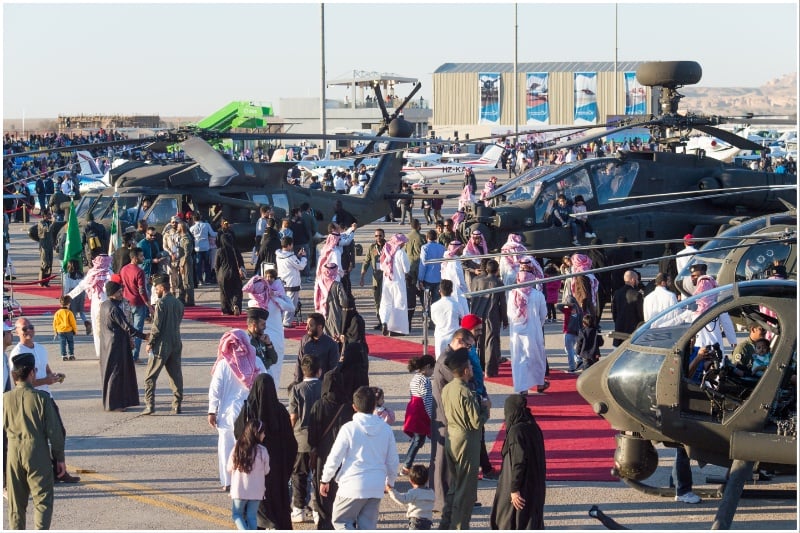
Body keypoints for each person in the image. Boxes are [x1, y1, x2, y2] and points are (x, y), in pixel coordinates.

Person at [319, 385, 399, 530]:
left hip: (352, 484)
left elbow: (335, 457)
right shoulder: (386, 429)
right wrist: (391, 481)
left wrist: (325, 479)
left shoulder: (349, 428)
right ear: (374, 404)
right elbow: (393, 459)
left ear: (354, 407)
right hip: (376, 485)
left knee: (341, 521)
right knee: (368, 526)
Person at [3, 352, 66, 530]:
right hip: (36, 452)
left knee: (16, 506)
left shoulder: (4, 399)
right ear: (31, 373)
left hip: (13, 455)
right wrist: (59, 458)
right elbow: (54, 432)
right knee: (43, 500)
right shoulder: (41, 398)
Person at [235, 372, 297, 530]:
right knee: (278, 504)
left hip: (254, 472)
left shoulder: (250, 411)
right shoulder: (281, 412)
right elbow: (291, 444)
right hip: (277, 471)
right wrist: (285, 469)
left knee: (255, 510)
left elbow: (238, 433)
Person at [208, 329, 267, 491]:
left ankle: (227, 481)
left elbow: (215, 389)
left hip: (226, 413)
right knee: (246, 446)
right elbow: (265, 384)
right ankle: (244, 479)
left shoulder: (222, 364)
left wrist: (212, 411)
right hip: (248, 411)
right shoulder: (256, 361)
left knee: (226, 447)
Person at [439, 348, 490, 529]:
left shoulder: (447, 388)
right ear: (466, 370)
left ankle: (446, 522)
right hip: (467, 441)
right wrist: (485, 408)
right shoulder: (466, 392)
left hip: (452, 437)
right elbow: (476, 422)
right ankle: (460, 526)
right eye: (469, 364)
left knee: (454, 486)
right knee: (466, 490)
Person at [489, 394, 546, 530]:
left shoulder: (516, 432)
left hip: (521, 485)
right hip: (534, 485)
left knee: (509, 519)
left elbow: (518, 462)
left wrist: (514, 489)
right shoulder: (533, 427)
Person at [308, 369, 355, 529]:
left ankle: (325, 523)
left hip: (323, 455)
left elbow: (312, 435)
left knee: (323, 493)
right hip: (345, 458)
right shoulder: (348, 406)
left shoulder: (319, 405)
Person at [98, 277, 147, 412]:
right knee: (116, 373)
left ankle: (113, 401)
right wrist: (144, 336)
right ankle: (115, 404)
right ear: (112, 293)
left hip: (108, 344)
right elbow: (127, 327)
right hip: (116, 345)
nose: (121, 294)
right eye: (119, 292)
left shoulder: (105, 305)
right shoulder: (114, 309)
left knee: (111, 372)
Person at [142, 274, 184, 415]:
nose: (155, 290)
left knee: (150, 376)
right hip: (176, 341)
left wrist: (150, 342)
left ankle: (149, 405)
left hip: (162, 344)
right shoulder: (178, 303)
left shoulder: (161, 304)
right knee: (175, 375)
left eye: (156, 287)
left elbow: (157, 326)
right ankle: (177, 405)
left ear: (162, 287)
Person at [289, 355, 323, 523]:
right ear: (319, 371)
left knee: (299, 475)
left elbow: (293, 416)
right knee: (319, 475)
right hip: (321, 438)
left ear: (303, 371)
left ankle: (299, 508)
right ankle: (318, 509)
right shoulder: (324, 387)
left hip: (301, 438)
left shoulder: (297, 389)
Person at [243, 274, 291, 382]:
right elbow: (291, 307)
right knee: (274, 372)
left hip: (263, 338)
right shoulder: (274, 301)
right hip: (270, 340)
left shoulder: (251, 303)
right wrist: (277, 294)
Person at [508, 269, 549, 394]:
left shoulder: (512, 294)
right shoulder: (538, 295)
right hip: (533, 331)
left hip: (517, 331)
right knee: (536, 357)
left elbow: (509, 314)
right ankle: (540, 384)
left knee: (519, 359)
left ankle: (522, 388)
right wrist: (537, 324)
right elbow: (544, 314)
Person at [227, 419, 271, 530]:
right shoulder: (262, 451)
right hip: (257, 490)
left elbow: (229, 467)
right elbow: (267, 470)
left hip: (240, 489)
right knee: (252, 516)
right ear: (256, 434)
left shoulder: (237, 448)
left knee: (237, 514)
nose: (264, 435)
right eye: (263, 433)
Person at [68, 254, 113, 358]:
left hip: (97, 305)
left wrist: (69, 296)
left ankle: (100, 353)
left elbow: (81, 286)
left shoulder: (92, 273)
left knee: (98, 330)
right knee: (105, 329)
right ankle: (106, 352)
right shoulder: (109, 273)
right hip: (107, 305)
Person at [469, 259, 508, 376]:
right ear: (497, 271)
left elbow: (472, 297)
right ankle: (490, 370)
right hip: (492, 315)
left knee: (479, 341)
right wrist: (505, 319)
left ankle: (479, 367)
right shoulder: (498, 283)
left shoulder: (476, 280)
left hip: (477, 314)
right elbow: (503, 303)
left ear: (486, 269)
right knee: (491, 342)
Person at [401, 355, 435, 476]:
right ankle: (435, 463)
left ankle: (406, 465)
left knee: (418, 440)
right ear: (427, 367)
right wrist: (432, 416)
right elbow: (427, 400)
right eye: (432, 369)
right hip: (421, 413)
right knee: (432, 438)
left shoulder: (415, 378)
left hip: (413, 409)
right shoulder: (425, 381)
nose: (432, 372)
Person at [120, 247, 154, 364]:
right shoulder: (139, 272)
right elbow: (141, 290)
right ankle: (135, 356)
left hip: (126, 302)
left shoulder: (123, 269)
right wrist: (148, 304)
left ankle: (127, 354)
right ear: (134, 258)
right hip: (138, 303)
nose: (143, 258)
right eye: (141, 256)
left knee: (127, 329)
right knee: (138, 330)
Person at [293, 313, 340, 386]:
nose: (306, 328)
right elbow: (299, 362)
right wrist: (296, 383)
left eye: (310, 325)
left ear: (319, 327)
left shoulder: (331, 344)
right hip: (305, 385)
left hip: (322, 386)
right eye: (307, 324)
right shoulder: (304, 340)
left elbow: (333, 369)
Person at [379, 233, 411, 336]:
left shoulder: (386, 251)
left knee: (386, 303)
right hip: (398, 282)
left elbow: (381, 266)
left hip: (387, 281)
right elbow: (407, 269)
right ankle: (397, 329)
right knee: (399, 304)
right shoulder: (401, 253)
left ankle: (384, 322)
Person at [388, 464, 435, 530]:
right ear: (427, 479)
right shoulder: (431, 492)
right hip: (428, 522)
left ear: (411, 481)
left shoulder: (414, 492)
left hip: (416, 521)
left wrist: (391, 490)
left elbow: (402, 499)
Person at [429, 280, 467, 359]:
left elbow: (434, 320)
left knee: (440, 361)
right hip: (453, 336)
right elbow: (463, 317)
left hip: (440, 335)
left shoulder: (434, 306)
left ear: (439, 291)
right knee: (454, 362)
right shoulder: (456, 305)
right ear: (452, 291)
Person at [215, 223, 247, 316]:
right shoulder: (236, 250)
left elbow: (216, 266)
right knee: (237, 290)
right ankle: (236, 304)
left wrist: (217, 276)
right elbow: (241, 263)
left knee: (224, 292)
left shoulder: (220, 251)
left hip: (223, 273)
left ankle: (226, 309)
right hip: (235, 272)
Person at [276, 236, 307, 327]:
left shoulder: (279, 255)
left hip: (282, 282)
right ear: (289, 245)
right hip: (292, 283)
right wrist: (304, 257)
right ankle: (287, 323)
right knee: (291, 305)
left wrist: (298, 256)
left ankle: (281, 321)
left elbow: (291, 263)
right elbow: (301, 266)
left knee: (283, 303)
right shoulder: (290, 256)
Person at [360, 228, 387, 330]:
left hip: (386, 276)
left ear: (384, 236)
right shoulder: (372, 248)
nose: (378, 238)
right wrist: (362, 276)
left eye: (380, 235)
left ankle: (386, 321)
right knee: (377, 300)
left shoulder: (388, 246)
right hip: (376, 277)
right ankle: (380, 321)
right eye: (376, 236)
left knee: (386, 299)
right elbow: (366, 261)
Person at [611, 270, 644, 347]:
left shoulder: (617, 293)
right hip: (632, 331)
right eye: (637, 279)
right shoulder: (637, 295)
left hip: (619, 330)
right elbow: (640, 314)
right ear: (632, 280)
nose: (638, 282)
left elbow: (614, 312)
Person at [418, 229, 445, 305]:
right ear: (436, 237)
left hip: (427, 278)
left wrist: (420, 279)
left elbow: (423, 264)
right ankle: (433, 315)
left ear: (427, 237)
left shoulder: (424, 247)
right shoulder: (442, 248)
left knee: (425, 300)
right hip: (439, 278)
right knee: (436, 301)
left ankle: (426, 313)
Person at [440, 240, 469, 311]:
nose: (462, 250)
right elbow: (459, 280)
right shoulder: (455, 262)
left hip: (449, 291)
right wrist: (466, 292)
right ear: (457, 249)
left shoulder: (450, 259)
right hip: (457, 293)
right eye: (461, 248)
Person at [190, 212, 216, 285]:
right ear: (200, 218)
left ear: (194, 219)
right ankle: (208, 279)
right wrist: (219, 233)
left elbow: (190, 236)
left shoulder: (192, 228)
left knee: (198, 265)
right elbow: (212, 234)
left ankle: (200, 280)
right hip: (206, 247)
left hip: (197, 248)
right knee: (207, 264)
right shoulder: (206, 225)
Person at [52, 295, 78, 361]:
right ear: (69, 304)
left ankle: (64, 355)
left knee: (62, 344)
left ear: (60, 304)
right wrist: (75, 330)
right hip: (69, 331)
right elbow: (73, 323)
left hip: (60, 331)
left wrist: (55, 331)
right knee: (70, 343)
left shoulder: (57, 313)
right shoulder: (69, 312)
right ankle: (71, 355)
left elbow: (55, 323)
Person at [37, 209, 55, 286]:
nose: (50, 216)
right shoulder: (41, 223)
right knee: (44, 263)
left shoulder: (50, 222)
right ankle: (41, 281)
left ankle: (46, 281)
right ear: (44, 215)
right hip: (44, 246)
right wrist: (53, 223)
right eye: (48, 214)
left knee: (50, 263)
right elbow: (47, 230)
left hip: (50, 245)